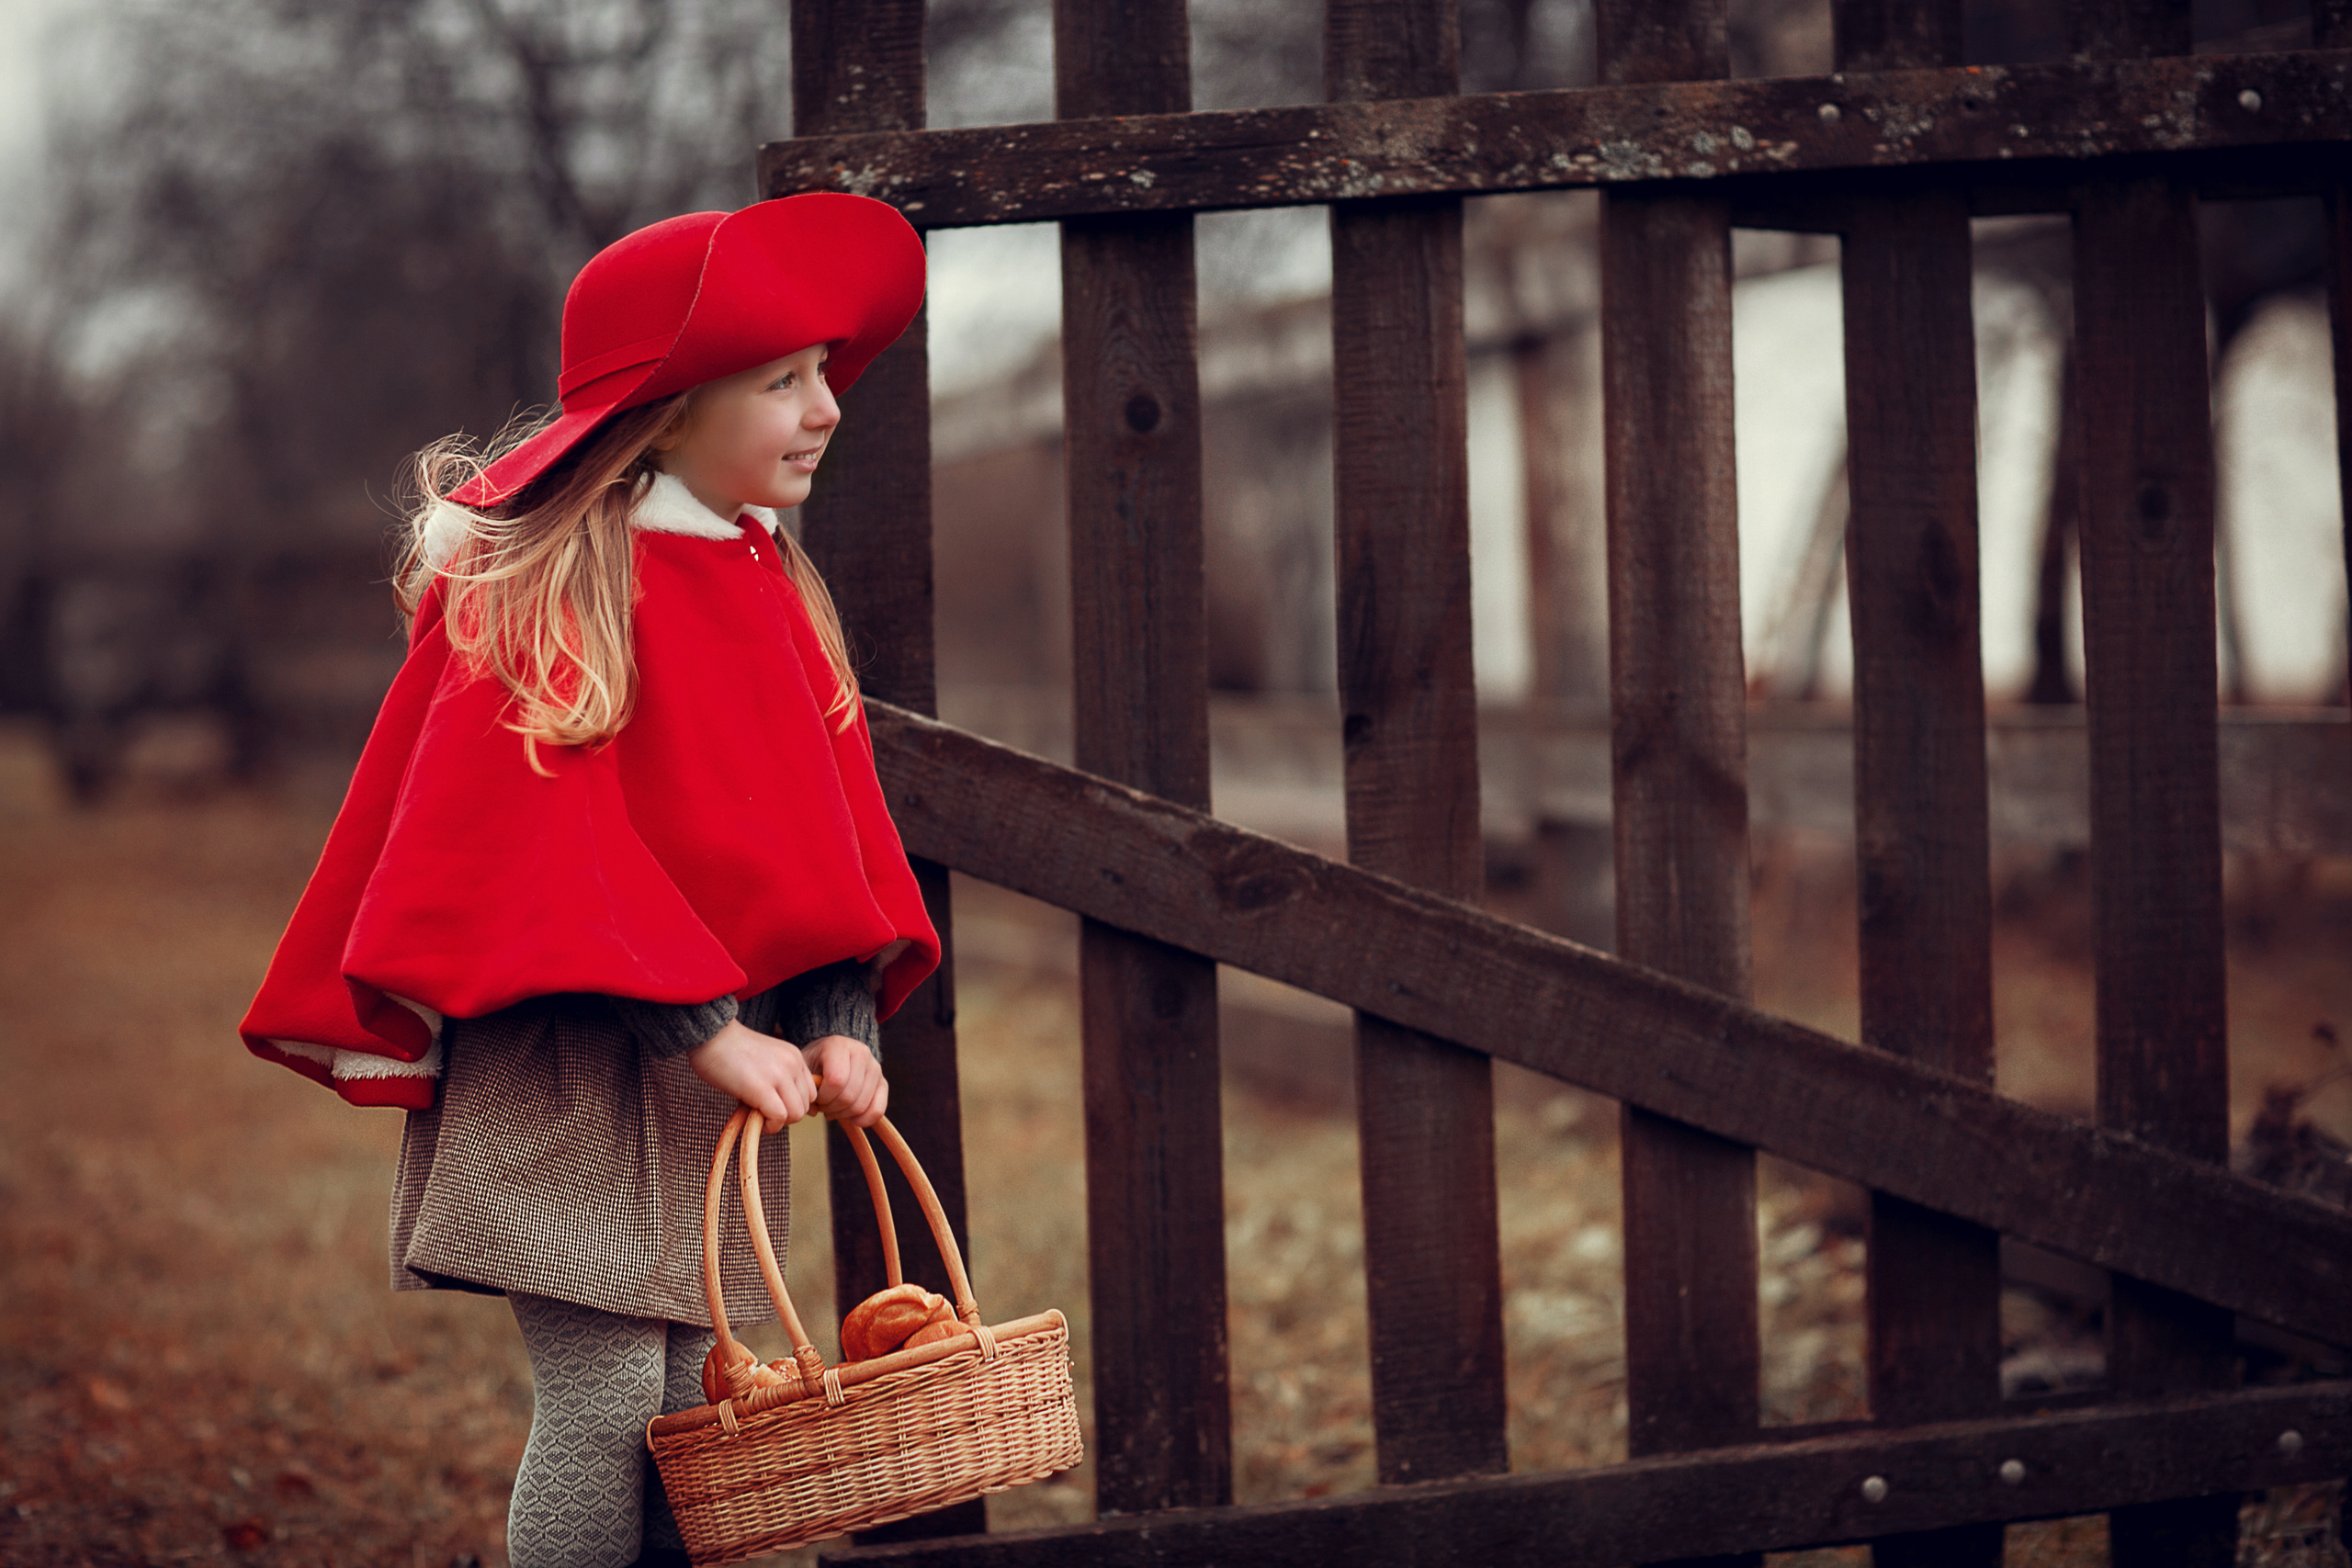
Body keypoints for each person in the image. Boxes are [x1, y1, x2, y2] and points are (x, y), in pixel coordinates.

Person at [238, 194, 940, 1568]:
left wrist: (840, 1021)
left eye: (825, 376)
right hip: (564, 1069)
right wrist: (704, 1030)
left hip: (712, 1094)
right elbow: (528, 849)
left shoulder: (770, 586)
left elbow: (817, 845)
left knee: (699, 1406)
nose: (827, 409)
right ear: (671, 409)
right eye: (783, 381)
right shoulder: (550, 581)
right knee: (610, 1396)